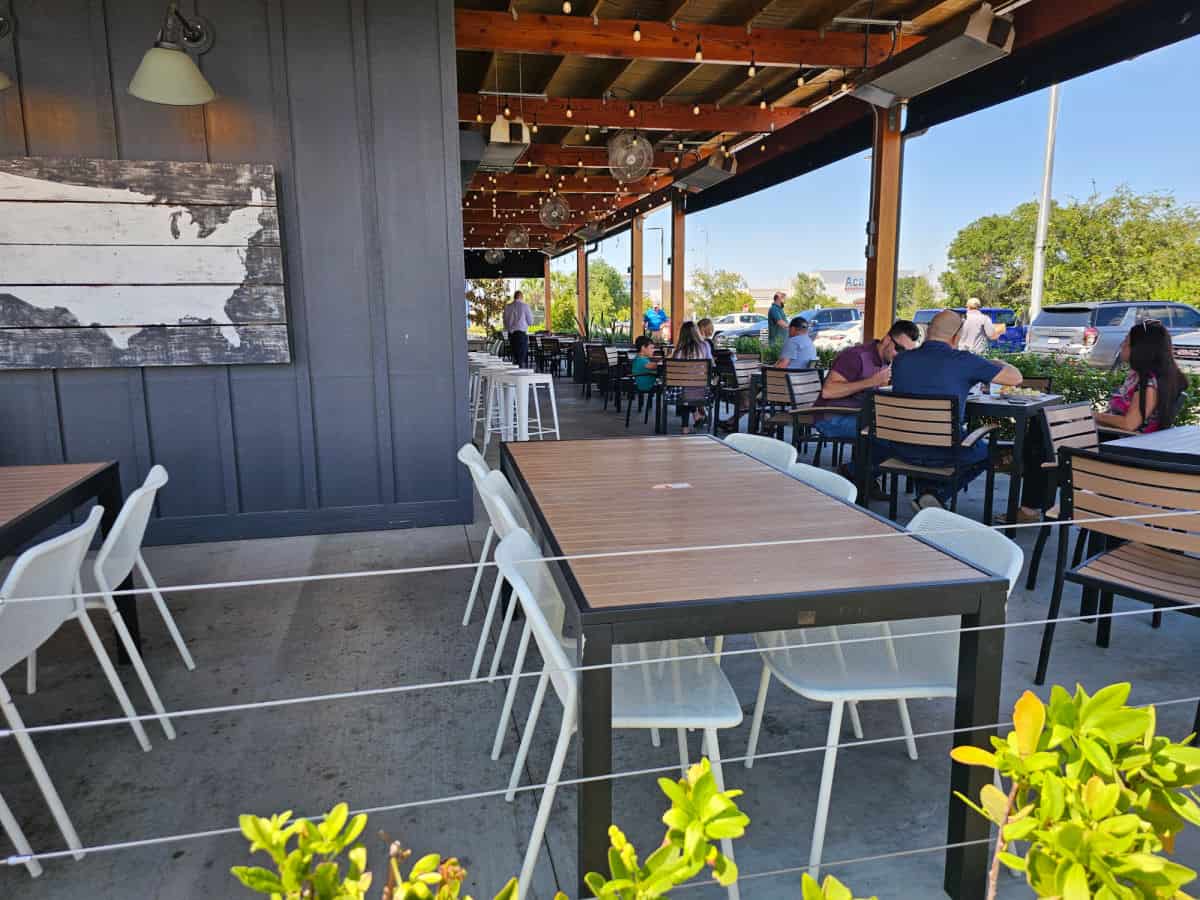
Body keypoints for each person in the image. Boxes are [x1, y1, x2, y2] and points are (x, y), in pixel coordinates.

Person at [1016, 318, 1188, 520]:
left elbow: (1129, 424)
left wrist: (1090, 415)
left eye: (1126, 342)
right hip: (1116, 440)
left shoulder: (1149, 383)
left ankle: (1030, 499)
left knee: (1041, 430)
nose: (1121, 346)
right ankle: (1032, 489)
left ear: (1141, 349)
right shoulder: (1154, 375)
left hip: (1117, 446)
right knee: (1043, 428)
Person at [888, 309, 1023, 511]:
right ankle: (937, 495)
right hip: (946, 452)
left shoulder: (901, 360)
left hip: (901, 447)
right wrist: (995, 363)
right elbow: (1015, 378)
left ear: (927, 331)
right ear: (956, 336)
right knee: (988, 450)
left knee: (927, 439)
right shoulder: (964, 361)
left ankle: (927, 493)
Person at [814, 319, 921, 442]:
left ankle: (866, 461)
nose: (901, 355)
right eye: (900, 349)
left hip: (859, 416)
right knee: (888, 432)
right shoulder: (856, 356)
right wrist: (871, 382)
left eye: (907, 353)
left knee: (904, 426)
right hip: (832, 418)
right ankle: (866, 461)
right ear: (887, 340)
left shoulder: (887, 361)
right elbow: (828, 391)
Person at [672, 321, 713, 433]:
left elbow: (675, 371)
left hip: (677, 392)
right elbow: (711, 365)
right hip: (701, 389)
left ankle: (686, 425)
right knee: (690, 388)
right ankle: (696, 415)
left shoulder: (678, 351)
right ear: (696, 332)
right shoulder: (705, 345)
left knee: (685, 388)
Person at [502, 290, 534, 369]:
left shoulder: (508, 306)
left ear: (514, 297)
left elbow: (505, 321)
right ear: (521, 297)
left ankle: (515, 376)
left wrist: (509, 327)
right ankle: (520, 376)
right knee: (521, 359)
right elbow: (530, 322)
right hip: (521, 335)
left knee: (515, 357)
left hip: (512, 335)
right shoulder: (525, 306)